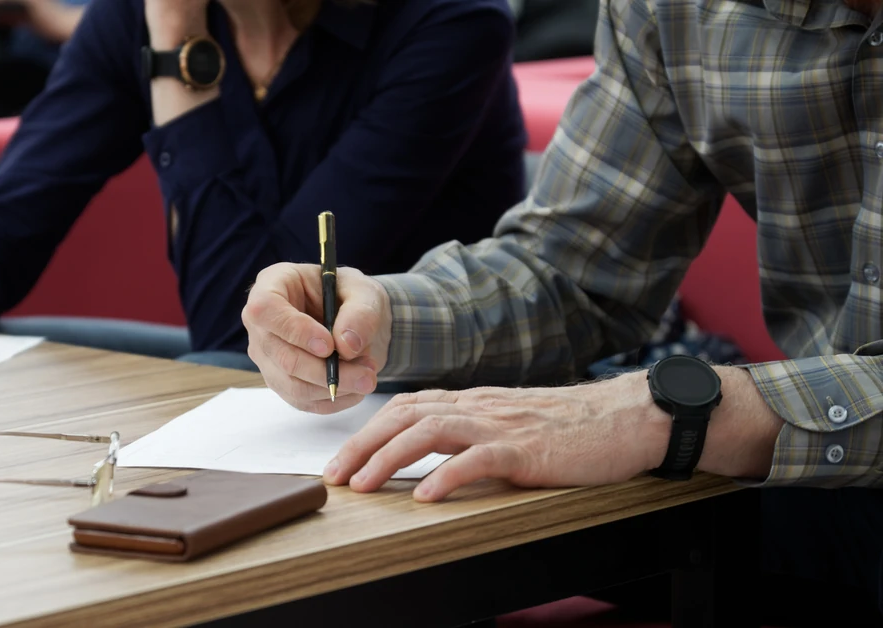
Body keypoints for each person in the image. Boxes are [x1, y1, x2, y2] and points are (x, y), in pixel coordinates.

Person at [241, 0, 883, 620]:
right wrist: (382, 316)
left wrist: (664, 414)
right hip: (817, 488)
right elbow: (574, 269)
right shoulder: (676, 9)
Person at [0, 0, 527, 369]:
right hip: (263, 402)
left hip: (423, 394)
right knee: (7, 353)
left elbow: (250, 325)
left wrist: (174, 45)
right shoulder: (130, 14)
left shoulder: (447, 20)